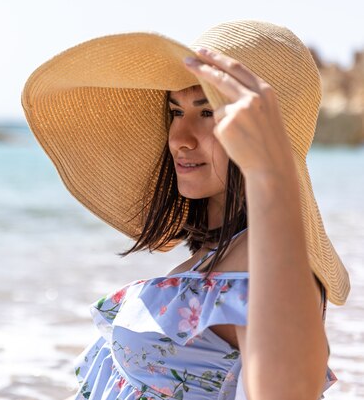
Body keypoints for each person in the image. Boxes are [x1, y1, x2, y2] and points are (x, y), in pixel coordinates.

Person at [21, 20, 350, 400]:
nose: (179, 138)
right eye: (176, 112)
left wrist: (270, 173)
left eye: (207, 112)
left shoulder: (266, 267)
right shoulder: (224, 257)